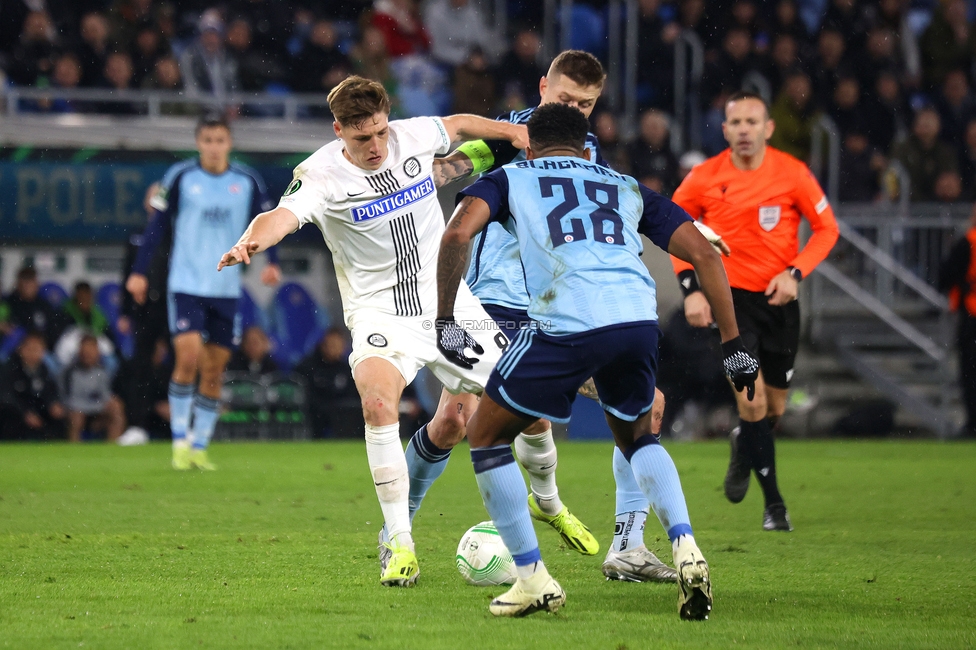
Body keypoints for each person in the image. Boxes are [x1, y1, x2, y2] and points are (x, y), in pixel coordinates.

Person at [215, 75, 589, 588]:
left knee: (528, 407)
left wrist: (511, 131)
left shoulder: (412, 136)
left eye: (380, 133)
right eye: (361, 138)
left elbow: (458, 124)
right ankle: (399, 542)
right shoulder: (320, 174)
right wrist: (248, 243)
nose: (375, 147)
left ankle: (548, 502)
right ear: (338, 131)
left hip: (449, 306)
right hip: (378, 316)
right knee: (377, 405)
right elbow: (279, 215)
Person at [435, 102, 759, 618]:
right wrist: (734, 343)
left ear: (532, 144)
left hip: (565, 320)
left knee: (486, 435)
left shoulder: (513, 175)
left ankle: (532, 579)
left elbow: (455, 234)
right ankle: (686, 546)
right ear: (586, 145)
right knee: (638, 437)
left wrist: (447, 318)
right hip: (635, 320)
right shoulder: (623, 184)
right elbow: (704, 254)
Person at [430, 50, 681, 583]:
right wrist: (406, 174)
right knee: (456, 421)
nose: (575, 108)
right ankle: (398, 535)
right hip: (495, 303)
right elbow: (451, 167)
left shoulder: (588, 152)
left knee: (648, 408)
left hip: (563, 310)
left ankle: (628, 546)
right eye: (566, 98)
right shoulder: (511, 134)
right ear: (543, 86)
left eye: (585, 103)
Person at [670, 91, 840, 531]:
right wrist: (691, 289)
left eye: (752, 122)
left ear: (768, 128)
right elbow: (672, 229)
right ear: (725, 130)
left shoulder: (793, 173)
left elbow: (826, 229)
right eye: (736, 123)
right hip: (730, 304)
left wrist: (795, 273)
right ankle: (775, 507)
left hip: (780, 302)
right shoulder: (705, 177)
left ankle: (743, 443)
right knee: (754, 398)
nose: (744, 130)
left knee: (772, 412)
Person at [125, 113, 281, 471]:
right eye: (207, 140)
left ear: (229, 143)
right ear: (198, 143)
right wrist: (139, 272)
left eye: (219, 140)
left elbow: (268, 221)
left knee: (213, 371)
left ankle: (199, 446)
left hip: (226, 287)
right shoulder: (180, 177)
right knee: (189, 359)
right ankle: (179, 441)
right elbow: (156, 227)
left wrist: (272, 260)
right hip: (186, 284)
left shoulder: (246, 181)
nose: (213, 147)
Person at [938, 204, 976, 437]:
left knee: (970, 373)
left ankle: (973, 423)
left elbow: (945, 275)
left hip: (972, 314)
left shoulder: (969, 241)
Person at [0, 331, 65, 440]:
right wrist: (25, 413)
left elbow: (49, 392)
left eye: (37, 349)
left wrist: (53, 403)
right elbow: (6, 396)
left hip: (38, 410)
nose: (33, 353)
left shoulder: (44, 370)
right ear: (21, 349)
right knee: (9, 415)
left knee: (58, 415)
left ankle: (56, 444)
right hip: (16, 412)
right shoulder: (9, 369)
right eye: (30, 349)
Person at [61, 334, 126, 443]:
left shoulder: (102, 371)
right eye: (85, 349)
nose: (88, 353)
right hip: (76, 411)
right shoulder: (69, 372)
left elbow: (105, 395)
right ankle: (74, 452)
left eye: (92, 349)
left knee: (117, 411)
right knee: (76, 418)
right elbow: (65, 398)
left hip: (96, 409)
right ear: (80, 351)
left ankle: (112, 450)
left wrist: (111, 402)